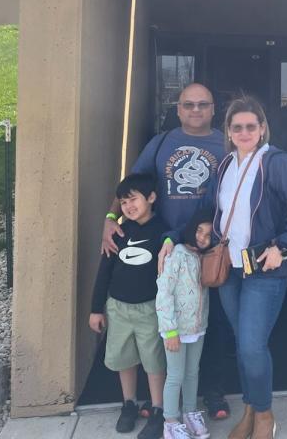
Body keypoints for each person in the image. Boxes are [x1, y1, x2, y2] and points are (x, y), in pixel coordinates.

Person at [101, 83, 232, 422]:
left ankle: (211, 389)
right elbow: (133, 182)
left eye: (203, 104)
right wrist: (111, 216)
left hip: (210, 247)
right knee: (162, 319)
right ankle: (160, 399)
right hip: (167, 249)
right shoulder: (161, 144)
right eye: (188, 104)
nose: (196, 110)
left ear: (214, 108)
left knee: (211, 322)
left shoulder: (227, 143)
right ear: (178, 109)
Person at [214, 95, 287, 439]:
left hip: (264, 269)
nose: (244, 132)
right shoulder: (226, 164)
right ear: (228, 131)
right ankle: (249, 409)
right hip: (230, 270)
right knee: (243, 343)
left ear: (261, 130)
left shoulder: (274, 162)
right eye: (237, 126)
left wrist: (284, 246)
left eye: (251, 126)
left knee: (251, 346)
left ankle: (264, 416)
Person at [89, 174, 169, 438]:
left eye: (133, 199)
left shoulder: (163, 231)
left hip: (150, 309)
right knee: (124, 359)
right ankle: (129, 403)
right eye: (123, 202)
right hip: (118, 308)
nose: (128, 206)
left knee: (154, 360)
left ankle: (158, 409)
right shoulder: (119, 231)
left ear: (151, 198)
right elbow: (105, 271)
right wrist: (96, 308)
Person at [156, 208, 215, 439]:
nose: (202, 237)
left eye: (208, 234)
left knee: (192, 373)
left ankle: (190, 413)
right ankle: (170, 422)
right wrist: (169, 329)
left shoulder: (205, 257)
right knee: (175, 375)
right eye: (199, 230)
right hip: (175, 330)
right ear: (191, 229)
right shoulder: (177, 253)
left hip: (197, 328)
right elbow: (164, 293)